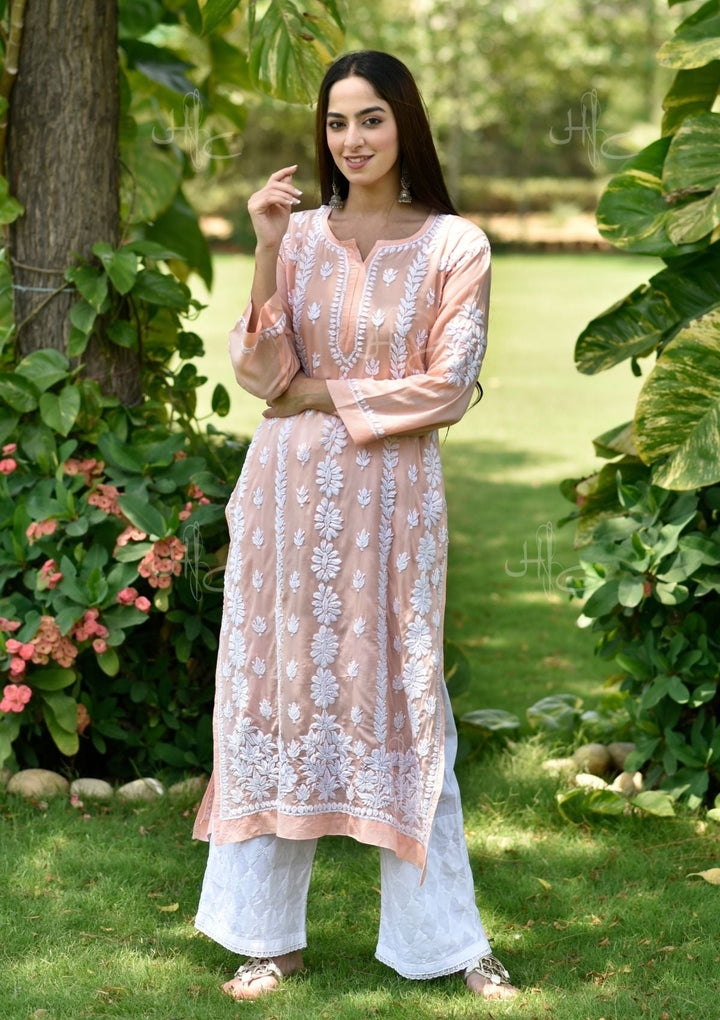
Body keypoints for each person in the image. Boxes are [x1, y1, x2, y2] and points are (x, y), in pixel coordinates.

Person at [193, 49, 517, 1002]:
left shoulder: (456, 246)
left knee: (408, 706)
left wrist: (321, 393)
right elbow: (263, 374)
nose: (353, 139)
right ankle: (265, 939)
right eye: (337, 123)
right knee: (276, 699)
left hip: (392, 504)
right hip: (286, 505)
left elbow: (448, 386)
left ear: (404, 122)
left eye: (371, 118)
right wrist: (263, 246)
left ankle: (448, 945)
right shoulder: (297, 237)